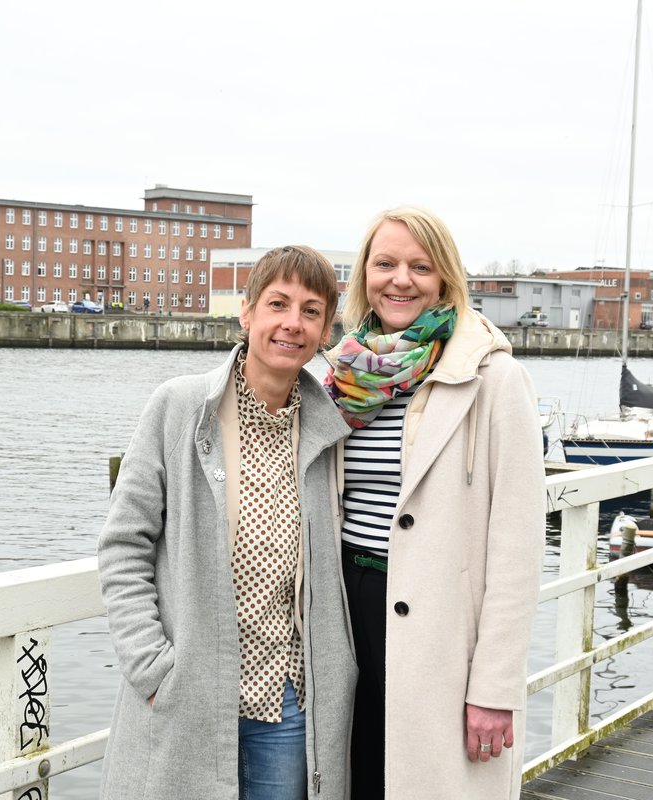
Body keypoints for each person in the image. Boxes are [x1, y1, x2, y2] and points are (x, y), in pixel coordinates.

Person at [98, 246, 357, 800]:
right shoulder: (179, 407)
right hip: (191, 690)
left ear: (325, 330)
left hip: (288, 702)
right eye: (278, 304)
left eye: (311, 311)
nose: (293, 323)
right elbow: (124, 543)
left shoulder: (328, 431)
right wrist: (152, 668)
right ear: (247, 313)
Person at [323, 207, 545, 800]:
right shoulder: (346, 377)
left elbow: (519, 549)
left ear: (446, 278)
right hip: (346, 618)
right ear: (363, 275)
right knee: (362, 778)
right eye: (385, 263)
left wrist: (495, 686)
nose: (401, 280)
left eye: (421, 267)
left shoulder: (492, 377)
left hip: (441, 635)